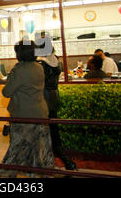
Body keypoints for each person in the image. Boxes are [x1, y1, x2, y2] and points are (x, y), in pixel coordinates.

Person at [0, 40, 54, 178]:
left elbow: (7, 92)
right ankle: (37, 173)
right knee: (39, 148)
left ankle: (7, 174)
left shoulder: (19, 69)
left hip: (23, 114)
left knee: (18, 147)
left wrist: (5, 82)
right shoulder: (39, 67)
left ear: (20, 53)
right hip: (40, 112)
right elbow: (27, 85)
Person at [36, 37, 77, 171]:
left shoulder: (41, 64)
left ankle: (46, 163)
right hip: (54, 97)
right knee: (53, 130)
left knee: (43, 132)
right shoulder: (55, 59)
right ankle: (67, 161)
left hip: (43, 98)